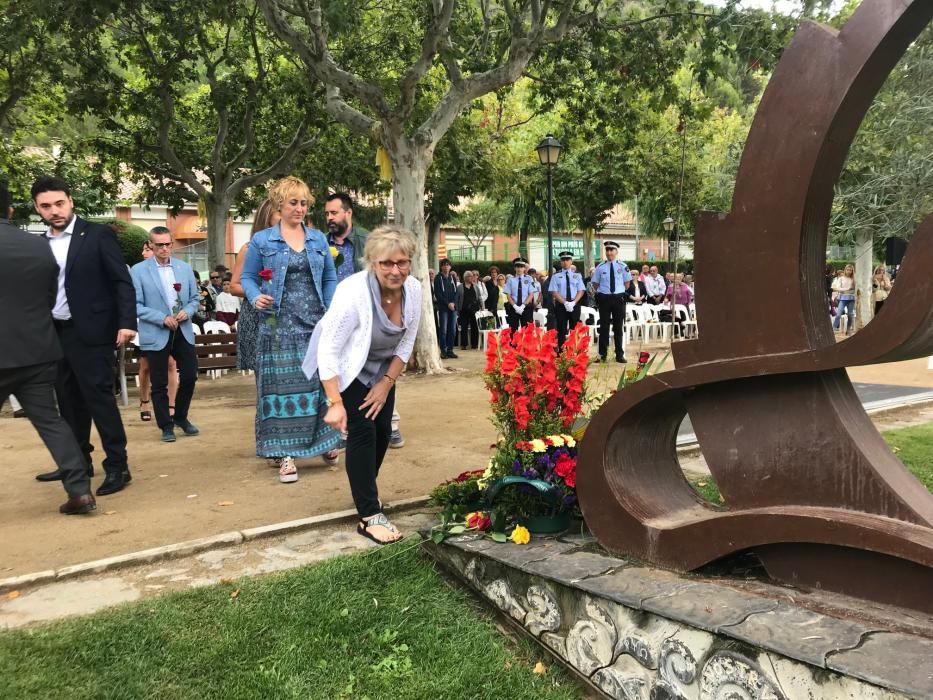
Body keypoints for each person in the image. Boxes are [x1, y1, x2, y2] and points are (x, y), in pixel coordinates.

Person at [306, 226, 422, 545]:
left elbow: (406, 342)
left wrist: (386, 383)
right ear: (371, 261)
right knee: (363, 429)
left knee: (384, 430)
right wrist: (335, 401)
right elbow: (328, 349)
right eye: (386, 263)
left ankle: (363, 491)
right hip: (348, 366)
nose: (395, 270)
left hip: (383, 369)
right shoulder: (353, 292)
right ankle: (369, 514)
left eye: (402, 262)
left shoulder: (414, 290)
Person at [31, 176, 136, 496]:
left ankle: (118, 466)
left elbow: (121, 281)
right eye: (46, 206)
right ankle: (78, 463)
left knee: (99, 400)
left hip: (92, 332)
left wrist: (127, 322)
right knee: (67, 402)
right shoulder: (38, 243)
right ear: (37, 208)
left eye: (59, 203)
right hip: (54, 333)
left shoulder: (97, 235)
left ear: (71, 201)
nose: (54, 211)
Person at [0, 179, 96, 514]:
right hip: (38, 349)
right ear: (11, 210)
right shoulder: (38, 245)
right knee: (52, 423)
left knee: (53, 421)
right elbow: (48, 298)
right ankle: (80, 490)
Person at [241, 176, 341, 483]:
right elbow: (247, 278)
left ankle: (325, 442)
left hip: (313, 323)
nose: (299, 209)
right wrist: (256, 296)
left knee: (317, 384)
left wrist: (331, 310)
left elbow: (328, 278)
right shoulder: (262, 241)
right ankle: (285, 454)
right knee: (280, 386)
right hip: (276, 325)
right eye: (293, 203)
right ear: (279, 204)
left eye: (304, 203)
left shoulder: (318, 240)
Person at [131, 228, 201, 442]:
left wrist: (187, 311)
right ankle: (166, 425)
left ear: (172, 244)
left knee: (190, 375)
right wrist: (160, 317)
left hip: (183, 329)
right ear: (150, 245)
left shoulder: (184, 268)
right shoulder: (138, 270)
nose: (163, 248)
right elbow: (134, 305)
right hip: (156, 330)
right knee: (159, 381)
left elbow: (195, 298)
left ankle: (180, 416)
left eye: (167, 244)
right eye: (159, 244)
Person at [230, 198, 280, 373]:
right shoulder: (249, 248)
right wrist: (260, 293)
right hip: (257, 315)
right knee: (265, 374)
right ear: (267, 217)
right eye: (279, 212)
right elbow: (234, 286)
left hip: (285, 315)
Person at [136, 234, 178, 422]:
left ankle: (171, 405)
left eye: (148, 249)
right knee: (145, 366)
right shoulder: (138, 271)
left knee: (171, 363)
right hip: (144, 324)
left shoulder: (171, 268)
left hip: (170, 323)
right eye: (145, 249)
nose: (147, 252)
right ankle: (144, 401)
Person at [590, 241, 631, 363]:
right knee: (604, 327)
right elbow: (595, 284)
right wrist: (605, 292)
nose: (609, 252)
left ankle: (619, 355)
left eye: (611, 250)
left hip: (618, 298)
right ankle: (602, 355)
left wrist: (618, 291)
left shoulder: (623, 266)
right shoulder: (600, 267)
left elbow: (627, 283)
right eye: (607, 250)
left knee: (618, 327)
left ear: (616, 252)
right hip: (605, 299)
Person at [324, 191, 369, 279]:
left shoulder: (368, 241)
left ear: (348, 213)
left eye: (334, 213)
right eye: (327, 214)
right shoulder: (320, 242)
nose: (329, 218)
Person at [550, 251, 586, 350]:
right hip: (561, 305)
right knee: (561, 329)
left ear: (571, 261)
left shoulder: (577, 275)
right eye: (563, 260)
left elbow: (581, 290)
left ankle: (574, 351)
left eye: (567, 260)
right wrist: (565, 302)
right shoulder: (556, 276)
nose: (565, 262)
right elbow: (554, 292)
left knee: (575, 329)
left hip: (574, 304)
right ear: (560, 262)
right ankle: (562, 352)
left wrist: (574, 302)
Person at [433, 258, 458, 358]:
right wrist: (447, 303)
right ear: (441, 266)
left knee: (452, 329)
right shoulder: (438, 278)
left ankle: (450, 350)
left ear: (450, 267)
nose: (446, 266)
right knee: (443, 330)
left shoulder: (452, 278)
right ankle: (443, 350)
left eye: (448, 265)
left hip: (453, 308)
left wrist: (453, 303)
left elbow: (456, 293)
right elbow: (438, 294)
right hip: (443, 308)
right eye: (444, 265)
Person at [504, 257, 534, 331]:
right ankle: (514, 343)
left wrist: (523, 306)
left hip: (526, 308)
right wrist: (515, 306)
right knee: (513, 331)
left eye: (521, 267)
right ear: (515, 268)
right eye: (517, 266)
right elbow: (508, 295)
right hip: (513, 308)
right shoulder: (510, 279)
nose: (519, 269)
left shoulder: (529, 279)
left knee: (527, 331)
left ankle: (525, 343)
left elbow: (531, 294)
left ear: (524, 268)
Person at [456, 270, 481, 350]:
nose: (472, 277)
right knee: (464, 327)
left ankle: (474, 344)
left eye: (472, 276)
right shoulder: (460, 287)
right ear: (465, 278)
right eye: (470, 276)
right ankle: (464, 344)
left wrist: (481, 306)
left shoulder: (475, 286)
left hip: (474, 310)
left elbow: (479, 297)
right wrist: (457, 310)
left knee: (475, 327)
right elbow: (457, 299)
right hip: (463, 310)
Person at [832, 264, 856, 334]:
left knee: (850, 314)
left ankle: (848, 329)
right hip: (842, 298)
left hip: (851, 299)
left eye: (851, 270)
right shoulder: (841, 278)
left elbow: (855, 289)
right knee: (838, 314)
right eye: (848, 270)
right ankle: (833, 328)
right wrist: (847, 289)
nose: (849, 271)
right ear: (845, 270)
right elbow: (838, 288)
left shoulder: (853, 279)